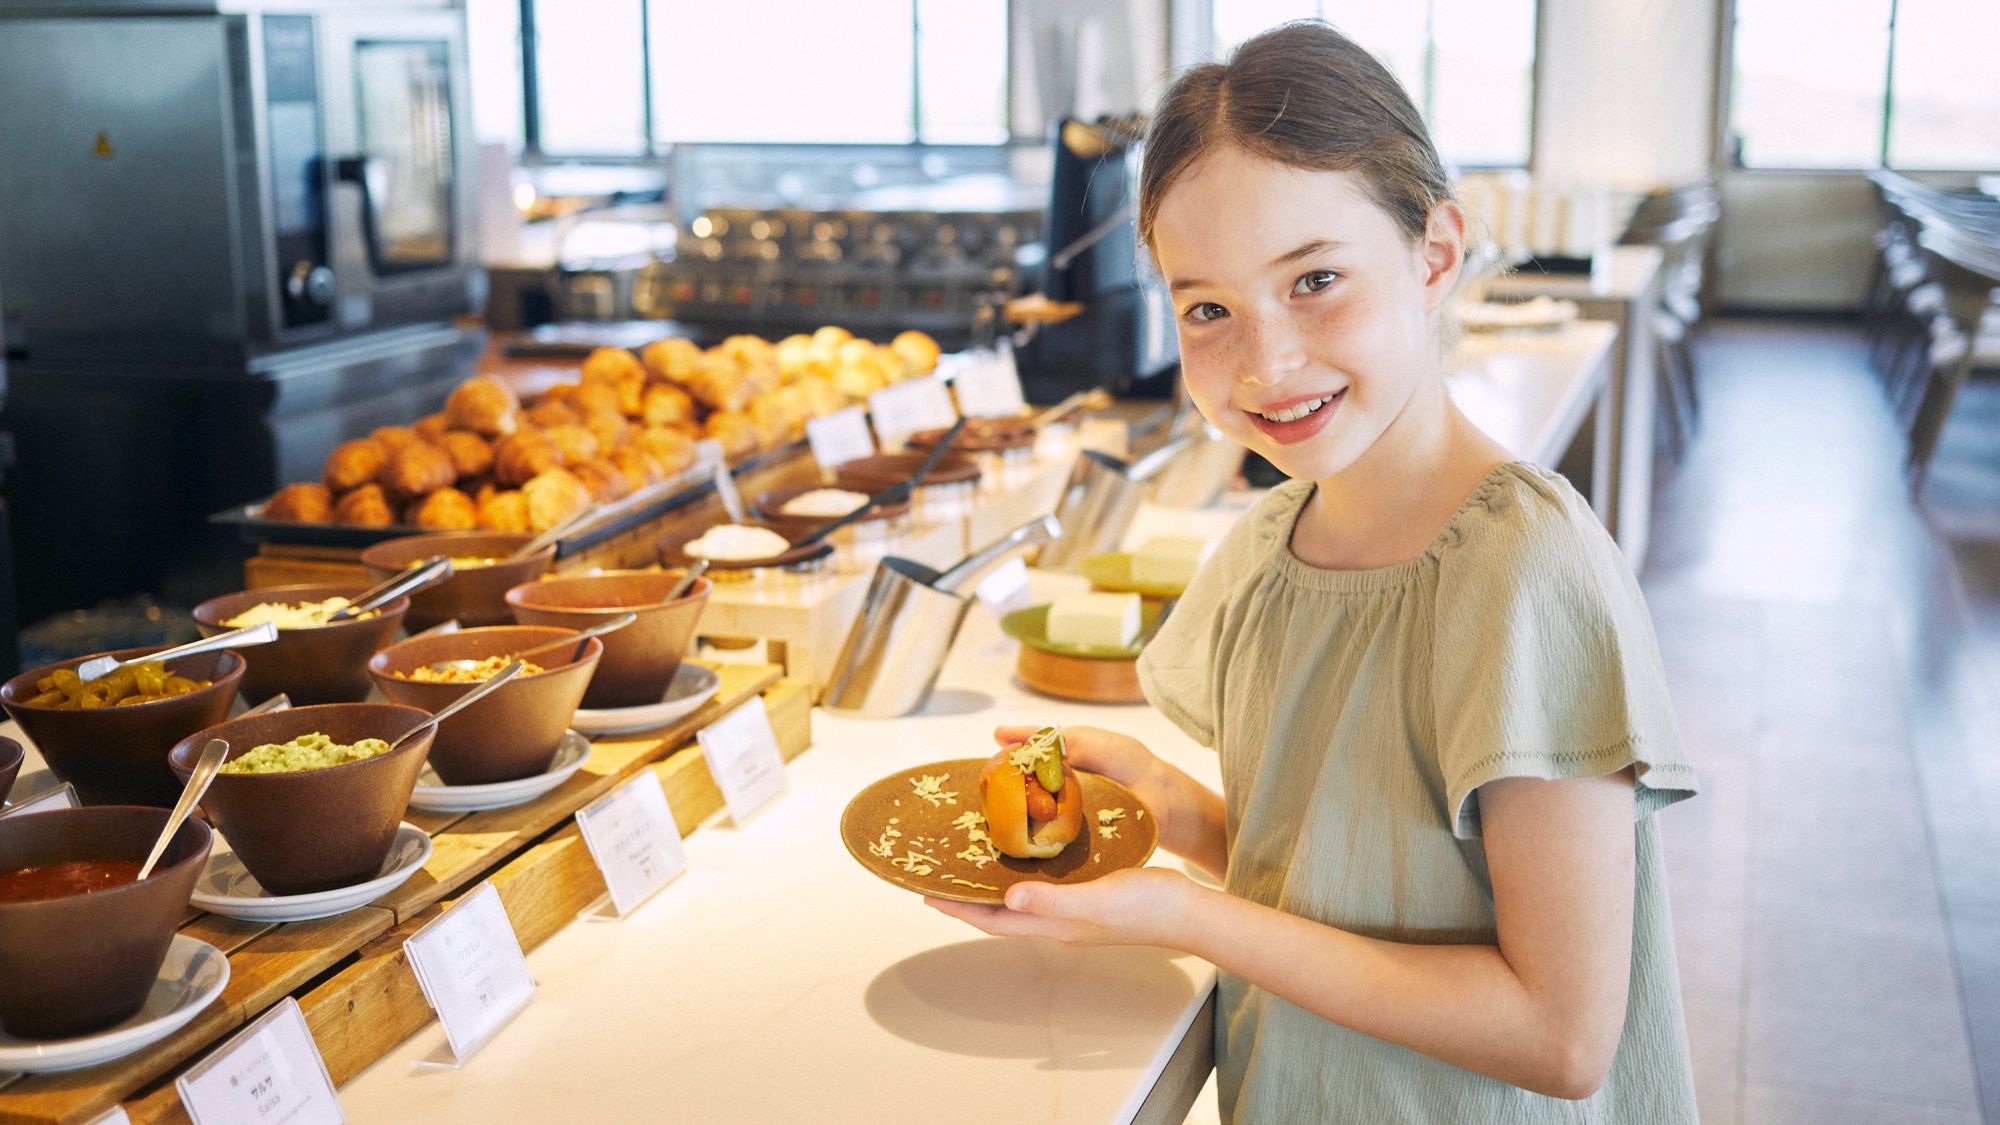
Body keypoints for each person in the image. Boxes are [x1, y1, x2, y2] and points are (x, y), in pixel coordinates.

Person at [927, 21, 1700, 1123]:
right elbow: (1355, 890)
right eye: (1207, 309)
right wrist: (1178, 813)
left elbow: (1560, 1033)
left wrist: (1190, 919)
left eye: (1316, 280)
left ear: (1434, 253)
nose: (1265, 361)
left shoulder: (1522, 570)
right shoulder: (1263, 549)